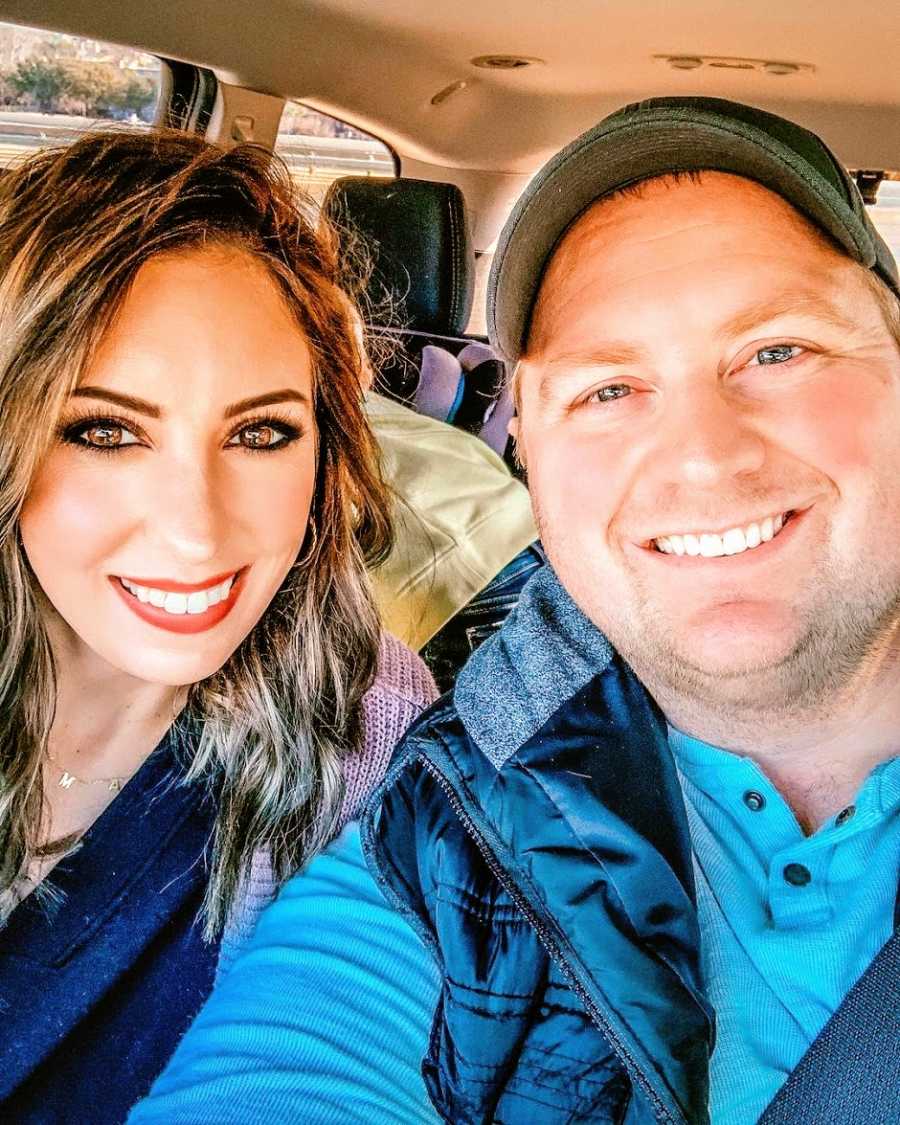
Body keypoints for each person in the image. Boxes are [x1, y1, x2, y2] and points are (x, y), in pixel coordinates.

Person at [131, 97, 900, 1124]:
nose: (705, 455)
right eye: (609, 391)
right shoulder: (449, 837)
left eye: (778, 352)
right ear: (527, 448)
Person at [0, 129, 436, 1123]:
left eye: (260, 433)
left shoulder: (368, 731)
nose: (197, 532)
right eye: (105, 430)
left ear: (324, 457)